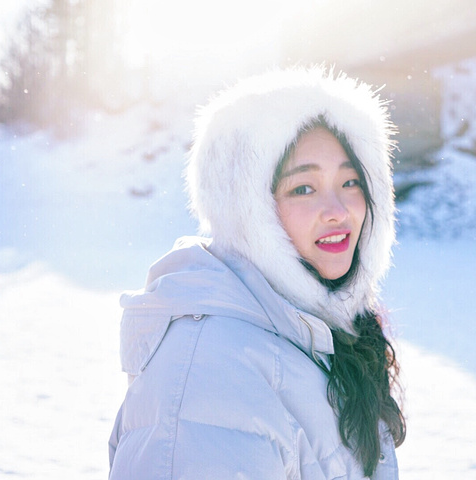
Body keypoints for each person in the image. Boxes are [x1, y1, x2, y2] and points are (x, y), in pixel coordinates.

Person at [108, 67, 406, 479]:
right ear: (247, 210)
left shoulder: (322, 332)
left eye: (351, 181)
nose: (338, 211)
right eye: (303, 188)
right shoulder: (210, 372)